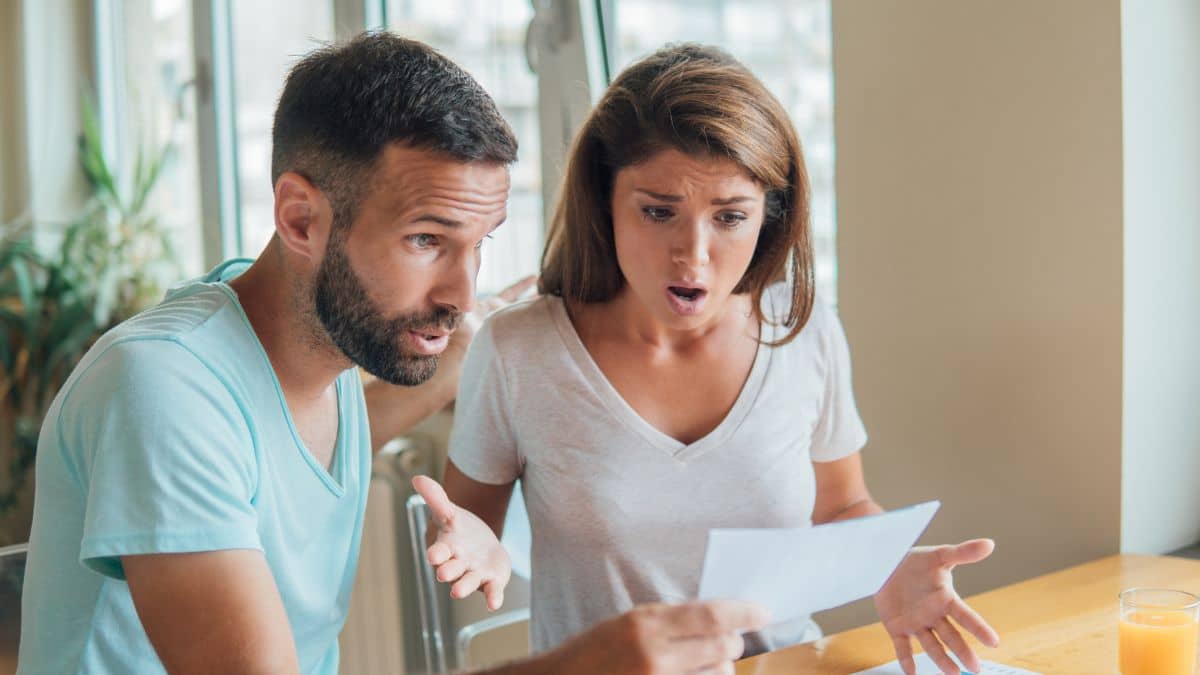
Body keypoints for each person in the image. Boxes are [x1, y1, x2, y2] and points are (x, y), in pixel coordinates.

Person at [17, 33, 764, 675]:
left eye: (478, 246)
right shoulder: (164, 386)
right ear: (300, 218)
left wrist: (482, 348)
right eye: (426, 241)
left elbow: (289, 453)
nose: (460, 290)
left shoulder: (313, 356)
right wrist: (582, 664)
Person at [423, 43, 1001, 675]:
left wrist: (888, 564)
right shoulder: (517, 350)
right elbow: (467, 522)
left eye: (729, 217)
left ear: (768, 219)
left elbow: (839, 507)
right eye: (657, 212)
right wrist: (477, 544)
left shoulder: (804, 331)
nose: (692, 256)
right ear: (605, 203)